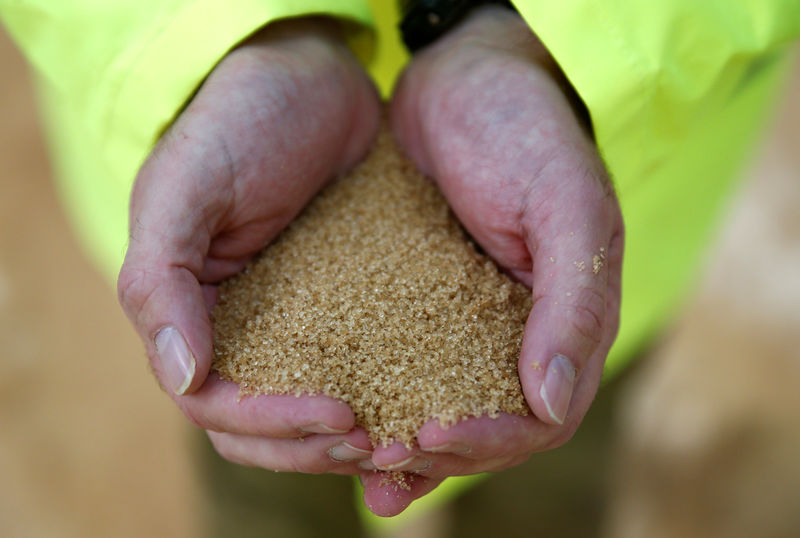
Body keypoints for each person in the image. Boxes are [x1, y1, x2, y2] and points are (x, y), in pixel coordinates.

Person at [2, 0, 798, 534]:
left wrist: (560, 42)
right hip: (221, 211)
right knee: (264, 479)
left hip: (594, 196)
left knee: (550, 472)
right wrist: (221, 37)